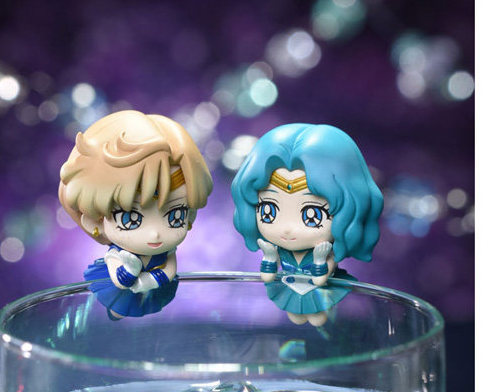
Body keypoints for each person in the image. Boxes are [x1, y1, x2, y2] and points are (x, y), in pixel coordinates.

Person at [59, 110, 213, 318]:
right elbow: (117, 277)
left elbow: (169, 269)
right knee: (117, 310)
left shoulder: (166, 252)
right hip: (122, 289)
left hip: (154, 290)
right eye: (130, 219)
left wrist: (151, 280)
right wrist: (129, 272)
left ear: (190, 215)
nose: (155, 234)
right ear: (94, 221)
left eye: (175, 216)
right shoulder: (116, 255)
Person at [231, 123, 383, 326]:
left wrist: (319, 259)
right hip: (290, 291)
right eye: (269, 211)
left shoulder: (324, 253)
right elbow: (267, 277)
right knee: (296, 317)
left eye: (312, 215)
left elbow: (320, 280)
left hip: (318, 293)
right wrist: (269, 257)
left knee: (318, 319)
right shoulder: (281, 252)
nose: (287, 228)